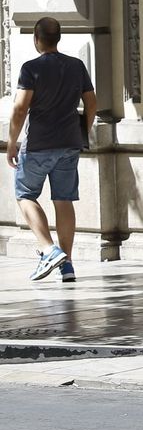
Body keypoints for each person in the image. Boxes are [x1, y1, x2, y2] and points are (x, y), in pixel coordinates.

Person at [7, 18, 94, 283]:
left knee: (25, 194)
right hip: (69, 143)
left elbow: (20, 108)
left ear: (36, 39)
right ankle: (67, 266)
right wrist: (83, 130)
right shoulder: (76, 66)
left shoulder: (31, 68)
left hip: (38, 144)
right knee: (64, 199)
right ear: (59, 38)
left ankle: (49, 249)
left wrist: (11, 142)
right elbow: (91, 102)